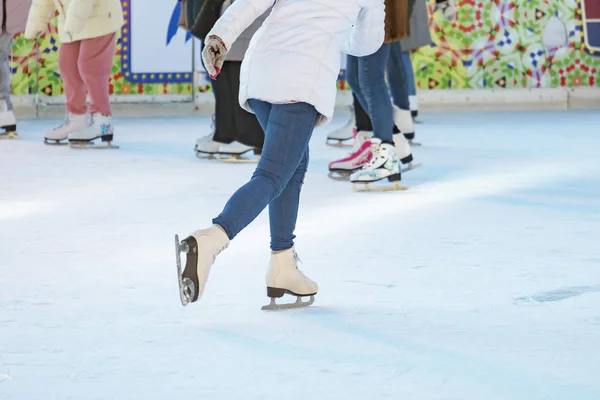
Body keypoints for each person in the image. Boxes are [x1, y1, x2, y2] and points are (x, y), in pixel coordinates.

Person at [175, 0, 386, 309]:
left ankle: (282, 265)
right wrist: (339, 31)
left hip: (261, 73)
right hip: (300, 82)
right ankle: (212, 238)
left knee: (294, 164)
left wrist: (219, 38)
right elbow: (367, 42)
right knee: (273, 174)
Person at [24, 0, 123, 147]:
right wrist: (35, 25)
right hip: (72, 21)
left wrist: (72, 24)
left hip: (100, 17)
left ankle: (102, 120)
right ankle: (77, 119)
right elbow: (42, 2)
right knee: (67, 65)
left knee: (90, 67)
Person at [194, 0, 268, 162]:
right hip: (233, 15)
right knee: (226, 77)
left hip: (252, 18)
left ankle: (252, 138)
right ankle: (226, 133)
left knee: (241, 78)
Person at [0, 0, 32, 139]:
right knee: (1, 56)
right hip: (11, 14)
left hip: (8, 13)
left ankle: (3, 108)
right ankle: (4, 108)